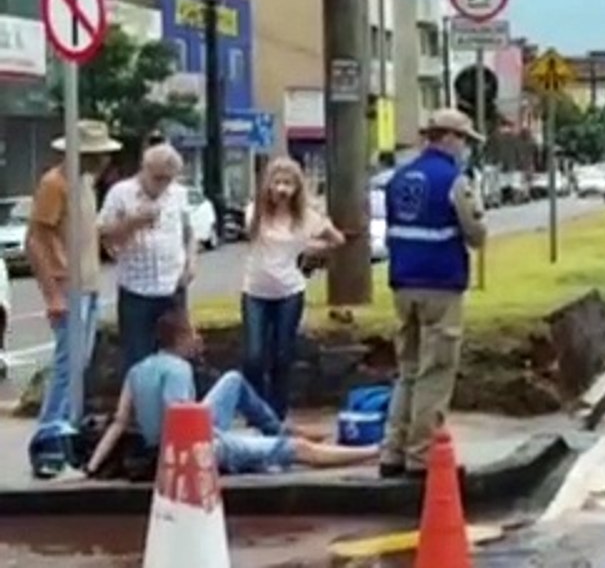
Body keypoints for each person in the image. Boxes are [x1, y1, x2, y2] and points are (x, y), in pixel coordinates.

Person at [85, 310, 378, 476]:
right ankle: (373, 451)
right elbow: (180, 420)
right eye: (194, 333)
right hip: (195, 448)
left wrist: (93, 466)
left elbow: (119, 422)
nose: (199, 338)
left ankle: (278, 429)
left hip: (176, 441)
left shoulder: (138, 370)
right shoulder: (178, 370)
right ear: (182, 338)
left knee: (233, 380)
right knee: (297, 451)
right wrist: (229, 442)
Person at [379, 108, 487, 479]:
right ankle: (421, 457)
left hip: (402, 284)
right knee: (435, 371)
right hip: (441, 285)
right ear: (449, 138)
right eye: (465, 141)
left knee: (407, 371)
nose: (466, 149)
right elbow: (476, 234)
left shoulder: (398, 178)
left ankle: (392, 450)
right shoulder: (454, 181)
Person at [25, 121, 121, 478]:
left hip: (89, 283)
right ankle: (48, 437)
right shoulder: (55, 184)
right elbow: (35, 241)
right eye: (94, 155)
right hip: (68, 285)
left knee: (79, 364)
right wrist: (52, 293)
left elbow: (85, 232)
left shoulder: (85, 183)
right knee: (68, 365)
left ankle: (64, 435)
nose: (100, 161)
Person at [241, 156, 344, 418]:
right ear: (268, 185)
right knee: (254, 355)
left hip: (289, 291)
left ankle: (277, 412)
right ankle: (257, 407)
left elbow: (337, 240)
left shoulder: (307, 218)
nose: (282, 189)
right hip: (255, 291)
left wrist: (312, 248)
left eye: (288, 183)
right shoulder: (255, 212)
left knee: (282, 354)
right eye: (277, 182)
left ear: (297, 187)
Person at [98, 143, 197, 374]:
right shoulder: (120, 193)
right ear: (144, 169)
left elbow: (189, 231)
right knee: (138, 358)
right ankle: (140, 408)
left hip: (172, 286)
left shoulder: (179, 194)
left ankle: (171, 406)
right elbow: (104, 235)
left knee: (178, 355)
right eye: (158, 177)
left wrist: (192, 262)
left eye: (168, 179)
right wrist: (132, 222)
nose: (162, 184)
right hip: (136, 289)